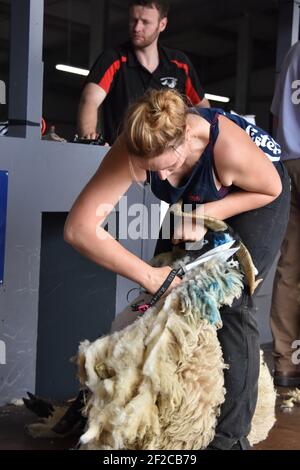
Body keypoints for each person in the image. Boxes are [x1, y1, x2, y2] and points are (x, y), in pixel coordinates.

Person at [64, 89, 290, 450]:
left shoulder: (225, 147)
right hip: (200, 193)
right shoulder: (138, 144)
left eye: (169, 166)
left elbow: (270, 189)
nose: (164, 179)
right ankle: (106, 406)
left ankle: (230, 439)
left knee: (227, 298)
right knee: (160, 288)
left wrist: (204, 214)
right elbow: (79, 229)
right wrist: (150, 276)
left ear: (185, 138)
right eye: (152, 172)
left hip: (257, 192)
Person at [77, 0, 209, 145]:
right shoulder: (113, 59)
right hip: (122, 157)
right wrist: (88, 141)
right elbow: (89, 100)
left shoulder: (179, 64)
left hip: (168, 159)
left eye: (145, 22)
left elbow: (203, 109)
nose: (137, 28)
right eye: (134, 20)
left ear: (162, 24)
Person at [270, 40, 300, 387]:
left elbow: (277, 114)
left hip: (288, 162)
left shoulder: (293, 51)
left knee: (291, 267)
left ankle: (287, 363)